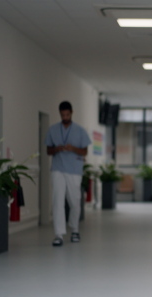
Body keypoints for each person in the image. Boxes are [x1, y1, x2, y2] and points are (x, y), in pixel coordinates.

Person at [45, 101, 91, 247]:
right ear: (60, 114)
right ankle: (58, 234)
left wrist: (73, 148)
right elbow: (48, 151)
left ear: (71, 113)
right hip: (58, 168)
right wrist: (57, 149)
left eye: (67, 114)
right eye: (62, 115)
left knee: (74, 200)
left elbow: (84, 151)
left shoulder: (80, 130)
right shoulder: (53, 130)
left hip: (74, 169)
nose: (65, 117)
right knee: (57, 200)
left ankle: (75, 229)